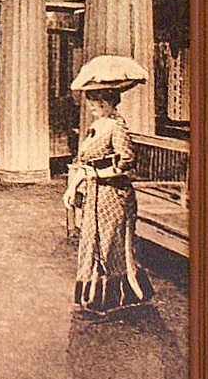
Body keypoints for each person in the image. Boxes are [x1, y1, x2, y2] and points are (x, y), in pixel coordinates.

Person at [63, 87, 154, 316]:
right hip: (95, 194)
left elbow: (126, 163)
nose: (93, 105)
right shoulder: (97, 126)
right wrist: (71, 189)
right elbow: (85, 164)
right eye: (92, 101)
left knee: (110, 244)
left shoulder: (117, 126)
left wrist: (98, 175)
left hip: (114, 194)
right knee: (90, 241)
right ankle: (91, 296)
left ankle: (118, 297)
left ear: (109, 102)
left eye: (98, 101)